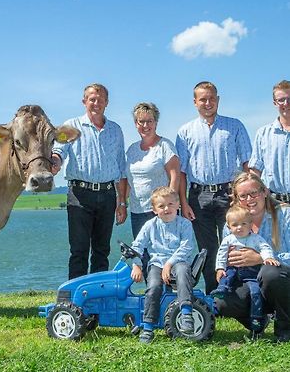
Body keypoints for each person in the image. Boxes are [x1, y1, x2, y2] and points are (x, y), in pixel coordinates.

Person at [176, 81, 252, 294]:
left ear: (218, 100)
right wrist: (183, 203)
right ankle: (214, 295)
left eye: (211, 98)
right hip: (198, 197)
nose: (207, 103)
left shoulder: (235, 126)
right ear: (195, 102)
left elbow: (248, 163)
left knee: (234, 243)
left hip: (229, 194)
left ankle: (238, 292)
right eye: (203, 99)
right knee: (207, 249)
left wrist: (246, 196)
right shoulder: (185, 132)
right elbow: (181, 171)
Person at [51, 83, 127, 280]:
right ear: (84, 101)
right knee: (79, 250)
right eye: (92, 99)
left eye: (100, 100)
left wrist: (121, 203)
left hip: (108, 195)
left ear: (107, 103)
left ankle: (97, 299)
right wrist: (55, 163)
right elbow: (58, 151)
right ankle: (75, 301)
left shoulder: (115, 130)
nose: (96, 103)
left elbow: (121, 168)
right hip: (79, 195)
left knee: (102, 251)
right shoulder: (70, 126)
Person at [215, 172, 290, 342]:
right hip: (250, 280)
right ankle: (258, 319)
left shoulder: (285, 215)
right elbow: (226, 257)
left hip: (283, 281)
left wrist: (260, 258)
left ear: (264, 192)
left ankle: (285, 328)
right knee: (222, 301)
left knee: (270, 272)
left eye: (254, 193)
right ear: (236, 199)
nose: (249, 199)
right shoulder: (231, 223)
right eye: (243, 196)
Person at [131, 187, 196, 343]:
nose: (167, 209)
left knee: (181, 271)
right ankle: (148, 327)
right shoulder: (150, 225)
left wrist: (169, 263)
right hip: (157, 263)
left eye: (170, 204)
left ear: (178, 205)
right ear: (154, 209)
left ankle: (186, 313)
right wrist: (136, 265)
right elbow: (137, 245)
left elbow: (187, 247)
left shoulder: (185, 224)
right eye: (161, 206)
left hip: (178, 261)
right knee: (153, 286)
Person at [212, 205, 280, 332]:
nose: (239, 227)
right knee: (227, 276)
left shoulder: (255, 238)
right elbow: (221, 254)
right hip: (234, 269)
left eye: (243, 224)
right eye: (235, 224)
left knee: (255, 292)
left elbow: (265, 247)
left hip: (251, 272)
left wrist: (266, 258)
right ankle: (221, 289)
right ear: (229, 227)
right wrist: (220, 268)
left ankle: (257, 317)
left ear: (250, 224)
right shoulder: (228, 239)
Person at [124, 102, 180, 239]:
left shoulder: (165, 146)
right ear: (135, 123)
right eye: (141, 122)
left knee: (164, 253)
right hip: (137, 211)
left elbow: (175, 177)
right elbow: (128, 180)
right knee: (142, 254)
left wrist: (169, 206)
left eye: (149, 121)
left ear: (156, 122)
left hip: (161, 211)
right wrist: (121, 203)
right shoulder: (131, 150)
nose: (145, 126)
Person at [249, 79, 290, 202]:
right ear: (274, 103)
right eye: (281, 100)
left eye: (289, 99)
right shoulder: (263, 134)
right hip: (273, 205)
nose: (286, 103)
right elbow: (255, 170)